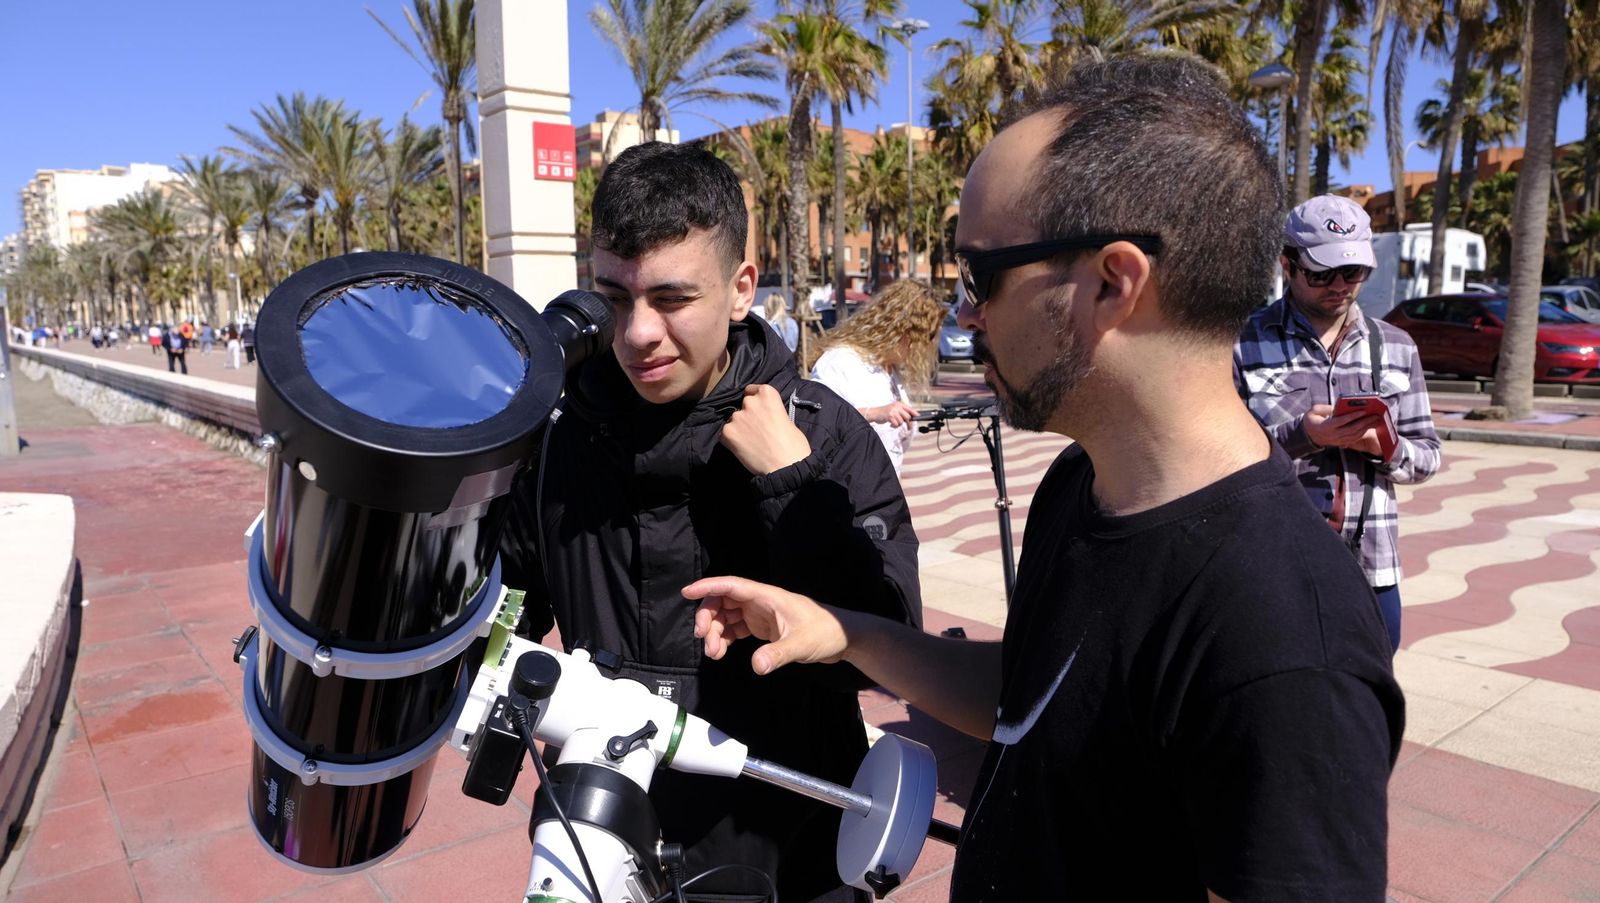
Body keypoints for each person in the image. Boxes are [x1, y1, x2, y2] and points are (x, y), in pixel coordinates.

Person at [686, 56, 1404, 901]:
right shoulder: (1082, 483)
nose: (965, 313)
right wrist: (844, 631)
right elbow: (1024, 699)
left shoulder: (1284, 644)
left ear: (1113, 283)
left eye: (982, 276)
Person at [497, 141, 923, 903]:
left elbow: (886, 648)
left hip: (795, 852)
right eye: (615, 297)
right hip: (606, 840)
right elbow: (502, 621)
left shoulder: (824, 435)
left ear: (740, 289)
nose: (637, 333)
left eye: (671, 298)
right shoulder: (561, 439)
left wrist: (792, 487)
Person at [1234, 195, 1441, 652]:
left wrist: (1386, 448)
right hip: (1276, 564)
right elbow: (1215, 458)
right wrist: (1302, 436)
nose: (1341, 285)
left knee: (1369, 704)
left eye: (1354, 272)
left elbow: (1427, 457)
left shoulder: (1398, 347)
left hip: (1372, 565)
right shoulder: (1243, 342)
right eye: (1322, 273)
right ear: (1288, 264)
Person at [806, 279, 946, 475]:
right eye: (923, 336)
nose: (924, 345)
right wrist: (874, 413)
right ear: (899, 328)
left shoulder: (890, 370)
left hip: (881, 490)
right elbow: (817, 420)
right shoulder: (841, 360)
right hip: (845, 490)